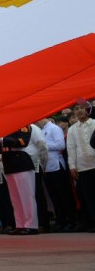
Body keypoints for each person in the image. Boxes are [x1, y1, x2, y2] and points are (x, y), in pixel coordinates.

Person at [0, 126, 38, 234]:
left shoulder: (23, 125)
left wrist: (2, 139)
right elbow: (4, 148)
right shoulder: (5, 128)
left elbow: (22, 142)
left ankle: (31, 225)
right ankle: (20, 224)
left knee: (26, 196)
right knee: (15, 198)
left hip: (21, 162)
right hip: (9, 163)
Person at [38, 117, 77, 231]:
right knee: (54, 196)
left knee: (64, 195)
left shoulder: (54, 128)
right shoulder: (41, 131)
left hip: (57, 165)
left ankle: (71, 220)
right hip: (47, 167)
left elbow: (61, 145)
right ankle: (61, 221)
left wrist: (44, 146)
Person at [68, 98, 95, 231]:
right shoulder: (72, 129)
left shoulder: (94, 123)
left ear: (88, 108)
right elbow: (71, 148)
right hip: (83, 166)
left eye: (82, 108)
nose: (79, 111)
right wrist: (72, 166)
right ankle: (91, 222)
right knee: (88, 196)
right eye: (76, 109)